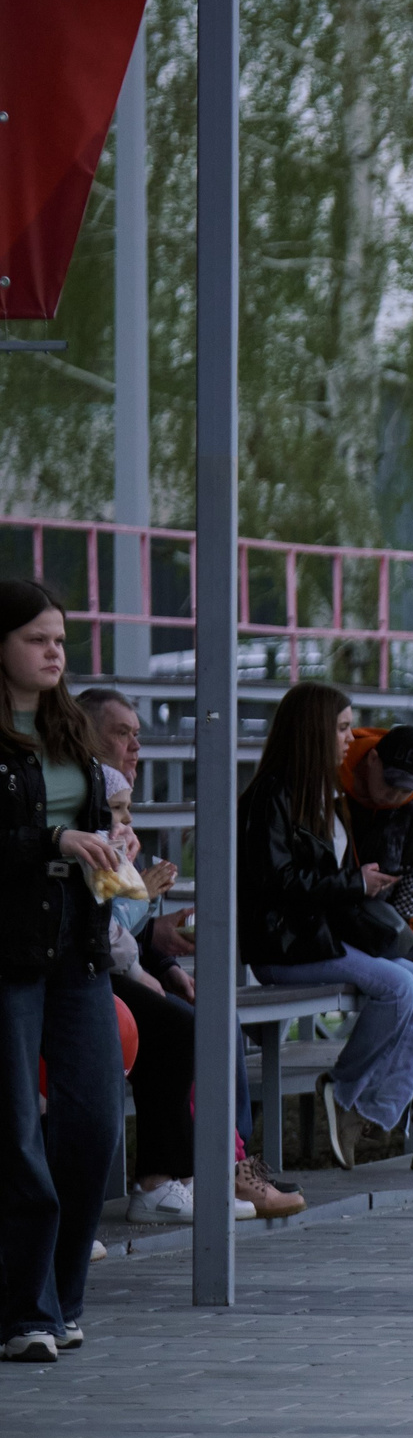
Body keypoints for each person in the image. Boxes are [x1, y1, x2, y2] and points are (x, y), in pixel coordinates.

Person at [77, 688, 294, 1221]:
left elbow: (118, 918)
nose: (135, 746)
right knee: (178, 1028)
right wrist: (141, 904)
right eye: (122, 733)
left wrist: (162, 952)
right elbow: (95, 914)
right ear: (86, 734)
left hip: (113, 956)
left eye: (138, 735)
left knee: (213, 1011)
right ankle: (169, 1179)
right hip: (82, 963)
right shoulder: (81, 805)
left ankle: (221, 1164)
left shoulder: (109, 804)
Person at [242, 683, 413, 1169]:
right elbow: (278, 882)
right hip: (285, 945)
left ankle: (367, 1110)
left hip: (319, 938)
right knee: (399, 987)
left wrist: (355, 889)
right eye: (339, 727)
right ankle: (347, 1089)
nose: (349, 737)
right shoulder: (273, 795)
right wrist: (355, 884)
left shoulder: (325, 794)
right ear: (313, 731)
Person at [0, 581, 123, 1362]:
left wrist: (116, 844)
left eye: (62, 639)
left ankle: (63, 1297)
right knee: (17, 1136)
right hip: (9, 952)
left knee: (94, 1126)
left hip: (78, 947)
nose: (55, 652)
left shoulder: (69, 726)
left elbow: (90, 826)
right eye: (39, 638)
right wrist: (52, 845)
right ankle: (26, 1311)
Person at [341, 724, 413, 1170]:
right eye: (389, 784)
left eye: (406, 789)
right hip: (332, 918)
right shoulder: (333, 782)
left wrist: (400, 946)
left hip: (392, 924)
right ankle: (411, 1116)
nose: (394, 796)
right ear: (371, 763)